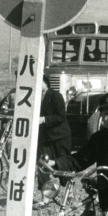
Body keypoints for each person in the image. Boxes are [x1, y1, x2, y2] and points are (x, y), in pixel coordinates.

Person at [35, 75, 72, 203]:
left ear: (45, 83)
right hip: (44, 137)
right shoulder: (32, 97)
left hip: (59, 136)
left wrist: (43, 119)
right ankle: (45, 197)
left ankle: (69, 189)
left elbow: (61, 116)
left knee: (62, 165)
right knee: (42, 164)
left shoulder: (56, 96)